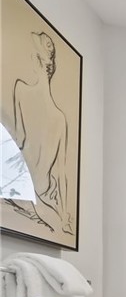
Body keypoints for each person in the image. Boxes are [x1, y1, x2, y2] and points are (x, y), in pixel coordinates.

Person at [12, 31, 71, 234]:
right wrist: (63, 216)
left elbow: (18, 141)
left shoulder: (20, 91)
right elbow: (61, 174)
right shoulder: (59, 119)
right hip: (42, 191)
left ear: (36, 59)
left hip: (22, 189)